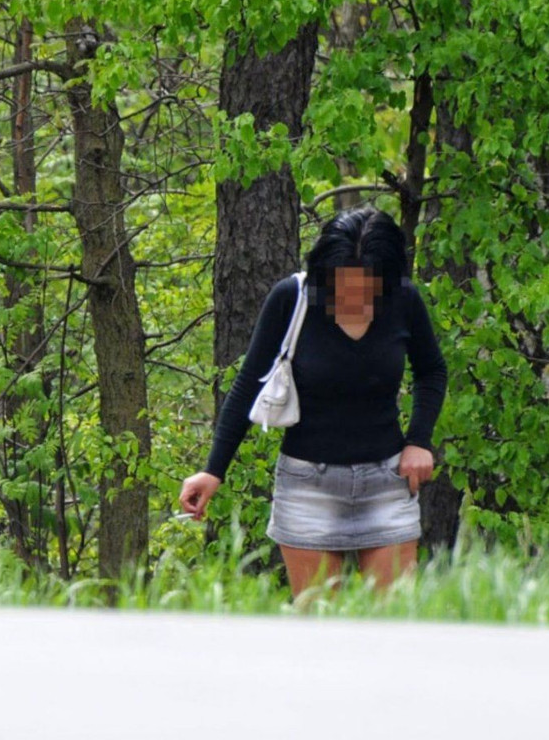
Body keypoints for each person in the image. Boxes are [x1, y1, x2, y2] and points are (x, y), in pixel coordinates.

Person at [179, 206, 448, 597]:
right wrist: (212, 470)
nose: (353, 296)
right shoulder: (293, 298)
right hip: (308, 487)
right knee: (320, 634)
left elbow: (432, 371)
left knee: (394, 630)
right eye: (343, 285)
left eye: (366, 287)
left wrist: (419, 440)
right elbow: (247, 385)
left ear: (386, 281)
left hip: (387, 484)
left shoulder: (404, 301)